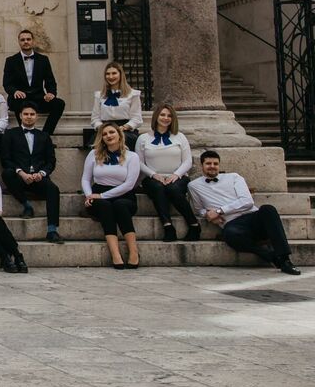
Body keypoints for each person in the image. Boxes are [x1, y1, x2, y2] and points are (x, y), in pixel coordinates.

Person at [187, 151, 300, 275]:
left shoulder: (234, 177)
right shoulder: (193, 186)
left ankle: (285, 259)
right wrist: (208, 215)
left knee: (268, 209)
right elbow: (199, 209)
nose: (212, 166)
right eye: (208, 163)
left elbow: (247, 202)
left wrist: (219, 211)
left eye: (215, 163)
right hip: (232, 223)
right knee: (229, 233)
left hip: (252, 217)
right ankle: (271, 256)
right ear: (202, 165)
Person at [134, 104, 201, 242]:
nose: (166, 118)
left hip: (178, 177)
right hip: (152, 178)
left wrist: (176, 175)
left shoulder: (180, 137)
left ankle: (194, 224)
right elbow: (139, 162)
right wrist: (154, 175)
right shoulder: (143, 138)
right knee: (158, 188)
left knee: (172, 188)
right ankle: (168, 227)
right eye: (162, 115)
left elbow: (187, 161)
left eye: (169, 115)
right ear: (156, 116)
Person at [0, 105, 64, 243]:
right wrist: (21, 173)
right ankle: (26, 205)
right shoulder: (10, 134)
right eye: (26, 114)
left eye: (32, 114)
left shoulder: (44, 136)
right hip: (18, 178)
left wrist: (41, 173)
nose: (29, 117)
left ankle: (52, 230)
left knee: (53, 189)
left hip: (38, 178)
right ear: (20, 116)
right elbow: (5, 159)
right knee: (7, 174)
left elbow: (51, 161)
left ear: (37, 116)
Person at [82, 122, 142, 269]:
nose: (108, 136)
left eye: (111, 132)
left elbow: (129, 184)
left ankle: (134, 252)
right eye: (104, 134)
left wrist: (102, 195)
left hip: (124, 195)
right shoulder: (93, 154)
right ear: (101, 138)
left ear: (119, 134)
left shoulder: (132, 156)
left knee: (120, 205)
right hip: (98, 196)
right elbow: (85, 179)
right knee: (105, 206)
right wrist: (89, 196)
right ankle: (115, 254)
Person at [2, 29, 65, 135]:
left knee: (59, 104)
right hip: (20, 98)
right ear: (19, 42)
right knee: (17, 102)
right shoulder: (11, 61)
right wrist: (15, 91)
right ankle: (23, 135)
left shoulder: (43, 60)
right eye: (23, 40)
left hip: (38, 98)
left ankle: (45, 135)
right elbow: (7, 83)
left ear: (33, 41)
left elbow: (50, 81)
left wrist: (51, 93)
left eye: (28, 39)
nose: (26, 42)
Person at [84, 61, 143, 150]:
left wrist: (122, 128)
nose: (111, 77)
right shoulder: (99, 95)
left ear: (121, 74)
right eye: (107, 74)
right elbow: (95, 118)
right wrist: (104, 128)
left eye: (114, 73)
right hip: (104, 130)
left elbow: (137, 119)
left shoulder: (133, 95)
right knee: (95, 143)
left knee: (124, 140)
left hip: (125, 130)